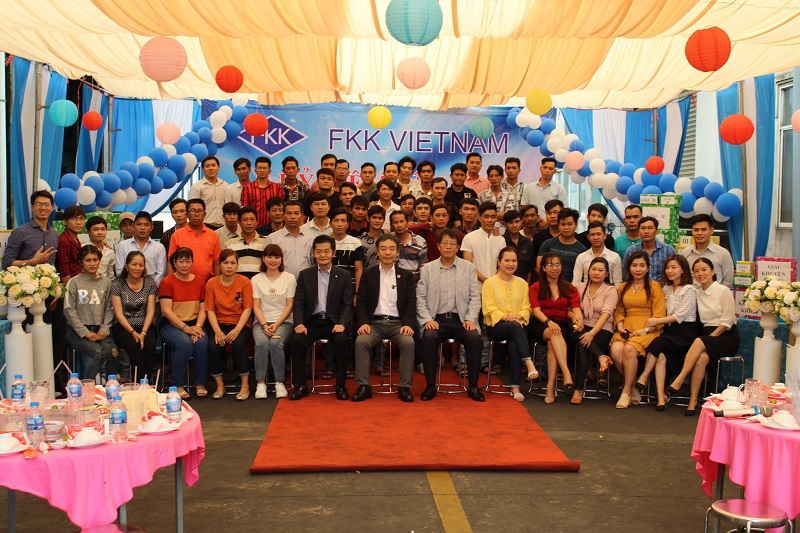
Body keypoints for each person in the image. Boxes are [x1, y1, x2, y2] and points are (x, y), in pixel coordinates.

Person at [417, 229, 485, 402]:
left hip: (461, 319)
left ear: (458, 247)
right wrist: (427, 320)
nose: (448, 247)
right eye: (445, 243)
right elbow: (420, 298)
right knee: (429, 337)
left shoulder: (468, 268)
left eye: (452, 244)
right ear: (438, 246)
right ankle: (430, 385)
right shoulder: (427, 269)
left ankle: (473, 386)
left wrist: (471, 319)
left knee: (474, 339)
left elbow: (475, 297)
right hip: (436, 319)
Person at [666, 258, 739, 416]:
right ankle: (693, 400)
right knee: (701, 359)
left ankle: (680, 379)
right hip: (707, 335)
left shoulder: (722, 290)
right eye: (696, 271)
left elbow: (728, 320)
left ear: (713, 271)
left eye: (704, 269)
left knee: (699, 341)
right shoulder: (697, 292)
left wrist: (712, 336)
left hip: (726, 335)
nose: (700, 273)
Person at [351, 234, 417, 403]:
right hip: (374, 323)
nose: (388, 252)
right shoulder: (368, 274)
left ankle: (404, 387)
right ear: (378, 252)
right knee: (361, 342)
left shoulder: (406, 275)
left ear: (397, 252)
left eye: (391, 249)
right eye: (384, 249)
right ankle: (363, 386)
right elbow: (362, 302)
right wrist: (363, 323)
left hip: (398, 324)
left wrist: (408, 324)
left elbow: (411, 303)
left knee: (408, 343)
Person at [288, 235, 354, 400]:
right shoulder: (305, 275)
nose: (322, 255)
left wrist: (342, 323)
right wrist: (299, 323)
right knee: (296, 340)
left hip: (333, 322)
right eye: (319, 251)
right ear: (313, 253)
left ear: (333, 253)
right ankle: (301, 385)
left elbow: (347, 304)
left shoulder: (344, 275)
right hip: (311, 321)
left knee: (342, 340)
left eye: (326, 251)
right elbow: (299, 303)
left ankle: (340, 385)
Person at [634, 255, 698, 411]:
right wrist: (647, 329)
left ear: (682, 270)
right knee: (661, 357)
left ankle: (643, 377)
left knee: (658, 342)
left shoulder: (689, 289)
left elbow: (679, 316)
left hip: (685, 333)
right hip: (670, 331)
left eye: (674, 267)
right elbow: (661, 313)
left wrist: (655, 321)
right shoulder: (666, 289)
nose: (670, 271)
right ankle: (661, 397)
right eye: (668, 268)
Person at [608, 252, 667, 409]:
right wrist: (620, 327)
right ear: (629, 268)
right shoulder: (623, 287)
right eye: (634, 265)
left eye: (642, 265)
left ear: (648, 268)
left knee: (629, 349)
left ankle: (626, 391)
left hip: (648, 328)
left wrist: (646, 330)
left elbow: (659, 314)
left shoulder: (654, 287)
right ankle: (633, 384)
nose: (638, 269)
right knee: (616, 351)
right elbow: (619, 311)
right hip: (627, 327)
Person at [64, 245, 125, 381]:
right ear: (81, 262)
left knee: (113, 353)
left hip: (100, 330)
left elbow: (110, 308)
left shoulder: (106, 282)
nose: (92, 264)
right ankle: (86, 386)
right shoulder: (74, 282)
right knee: (97, 353)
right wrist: (85, 332)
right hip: (78, 332)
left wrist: (104, 329)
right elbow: (69, 310)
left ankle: (109, 385)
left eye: (95, 260)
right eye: (88, 260)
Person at [481, 247, 534, 402]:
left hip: (517, 326)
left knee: (514, 341)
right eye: (507, 260)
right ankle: (528, 362)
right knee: (515, 328)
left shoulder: (522, 283)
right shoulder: (489, 283)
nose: (510, 264)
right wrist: (506, 317)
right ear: (499, 262)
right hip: (496, 326)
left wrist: (517, 316)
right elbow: (488, 308)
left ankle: (515, 387)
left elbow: (527, 308)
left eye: (514, 261)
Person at [529, 252, 581, 404]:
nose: (554, 268)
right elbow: (536, 311)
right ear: (543, 268)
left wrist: (578, 318)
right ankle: (566, 372)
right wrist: (549, 322)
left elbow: (576, 308)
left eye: (557, 264)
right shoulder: (535, 287)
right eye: (550, 265)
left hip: (561, 324)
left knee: (553, 342)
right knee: (554, 333)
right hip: (541, 323)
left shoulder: (569, 288)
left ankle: (550, 387)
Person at [159, 247, 209, 399]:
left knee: (202, 342)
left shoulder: (200, 281)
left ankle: (199, 383)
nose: (185, 265)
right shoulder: (167, 282)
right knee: (184, 344)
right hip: (171, 325)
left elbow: (203, 308)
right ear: (174, 263)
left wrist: (198, 327)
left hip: (195, 323)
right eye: (181, 261)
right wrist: (186, 329)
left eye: (188, 261)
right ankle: (177, 385)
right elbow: (167, 311)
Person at [206, 250, 254, 400]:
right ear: (219, 264)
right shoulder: (212, 283)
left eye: (233, 263)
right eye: (225, 263)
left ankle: (245, 385)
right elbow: (210, 310)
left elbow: (248, 308)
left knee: (238, 344)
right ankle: (220, 384)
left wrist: (237, 330)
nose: (229, 266)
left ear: (237, 265)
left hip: (240, 323)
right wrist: (217, 331)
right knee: (213, 345)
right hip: (219, 322)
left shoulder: (244, 281)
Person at [252, 245, 296, 399]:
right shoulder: (256, 279)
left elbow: (289, 305)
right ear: (263, 259)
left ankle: (279, 382)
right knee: (261, 343)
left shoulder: (289, 278)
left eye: (276, 257)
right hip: (261, 322)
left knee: (276, 343)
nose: (273, 260)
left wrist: (276, 324)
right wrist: (264, 325)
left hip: (284, 322)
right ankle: (260, 383)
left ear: (281, 259)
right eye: (269, 257)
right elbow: (256, 306)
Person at [572, 258, 618, 405]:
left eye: (600, 270)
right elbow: (571, 308)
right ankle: (601, 357)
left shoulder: (610, 290)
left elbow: (606, 315)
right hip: (582, 326)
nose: (596, 273)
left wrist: (591, 334)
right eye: (594, 269)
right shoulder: (580, 287)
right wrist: (575, 317)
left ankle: (578, 389)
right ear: (588, 271)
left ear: (606, 274)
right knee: (575, 329)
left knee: (583, 345)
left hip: (602, 329)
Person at [110, 251, 158, 381]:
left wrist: (143, 333)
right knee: (133, 345)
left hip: (145, 325)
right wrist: (132, 332)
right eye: (134, 264)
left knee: (150, 345)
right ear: (126, 266)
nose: (137, 268)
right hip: (124, 326)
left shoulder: (150, 283)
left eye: (141, 265)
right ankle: (140, 381)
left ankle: (147, 380)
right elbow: (118, 314)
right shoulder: (117, 284)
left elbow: (150, 312)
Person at [167, 198, 221, 282]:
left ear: (205, 214)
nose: (196, 214)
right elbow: (171, 262)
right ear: (187, 214)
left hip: (207, 282)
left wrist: (217, 283)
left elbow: (216, 262)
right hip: (182, 282)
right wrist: (170, 283)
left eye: (199, 211)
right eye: (192, 211)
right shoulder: (177, 235)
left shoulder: (213, 235)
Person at [2, 190, 58, 269]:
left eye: (46, 204)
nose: (43, 208)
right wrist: (31, 262)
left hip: (50, 276)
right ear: (32, 207)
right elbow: (6, 263)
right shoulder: (20, 232)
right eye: (38, 204)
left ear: (52, 208)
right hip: (26, 276)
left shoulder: (54, 233)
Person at [681, 214, 734, 289]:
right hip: (691, 295)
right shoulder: (685, 253)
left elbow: (728, 282)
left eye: (703, 229)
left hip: (715, 295)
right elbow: (683, 277)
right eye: (696, 230)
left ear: (711, 230)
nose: (699, 233)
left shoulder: (723, 253)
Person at [115, 211, 167, 285]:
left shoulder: (159, 247)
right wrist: (130, 287)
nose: (142, 228)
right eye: (139, 224)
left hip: (153, 288)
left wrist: (151, 288)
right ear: (133, 226)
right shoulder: (122, 246)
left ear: (151, 227)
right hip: (127, 287)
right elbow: (119, 271)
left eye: (146, 225)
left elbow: (161, 273)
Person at [264, 200, 313, 278]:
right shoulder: (272, 239)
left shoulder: (310, 237)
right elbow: (266, 263)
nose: (293, 217)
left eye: (296, 213)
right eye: (289, 213)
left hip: (306, 281)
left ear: (301, 215)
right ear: (283, 215)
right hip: (282, 282)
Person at [536, 208, 587, 282]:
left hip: (571, 287)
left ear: (576, 225)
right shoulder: (548, 244)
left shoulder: (582, 249)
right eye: (563, 224)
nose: (566, 227)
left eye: (570, 224)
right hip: (548, 285)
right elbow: (539, 268)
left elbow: (581, 275)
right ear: (558, 225)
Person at [461, 202, 506, 283]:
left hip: (496, 284)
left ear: (496, 218)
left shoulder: (501, 240)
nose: (490, 220)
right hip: (475, 285)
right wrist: (486, 281)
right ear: (479, 218)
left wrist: (493, 281)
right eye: (486, 216)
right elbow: (468, 265)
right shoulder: (469, 238)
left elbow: (503, 263)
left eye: (493, 217)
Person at [623, 216, 675, 283]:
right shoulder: (631, 251)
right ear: (639, 231)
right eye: (643, 228)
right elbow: (626, 272)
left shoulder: (668, 250)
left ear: (657, 231)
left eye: (650, 228)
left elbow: (673, 272)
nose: (646, 231)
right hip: (638, 287)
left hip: (662, 287)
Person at [224, 206, 267, 279]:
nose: (249, 223)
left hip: (260, 283)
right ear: (239, 222)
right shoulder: (230, 243)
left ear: (257, 221)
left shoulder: (265, 241)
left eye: (252, 219)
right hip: (237, 283)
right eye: (245, 220)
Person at [329, 208, 364, 292]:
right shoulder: (325, 243)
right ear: (330, 223)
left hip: (349, 288)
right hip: (329, 288)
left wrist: (357, 292)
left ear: (348, 224)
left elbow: (358, 270)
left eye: (343, 221)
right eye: (336, 220)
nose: (340, 224)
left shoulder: (356, 243)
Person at [242, 156, 284, 226]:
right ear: (255, 171)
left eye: (264, 168)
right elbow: (245, 209)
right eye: (259, 168)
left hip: (273, 226)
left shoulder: (277, 187)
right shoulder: (247, 188)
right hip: (253, 227)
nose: (262, 170)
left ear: (269, 171)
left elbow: (281, 209)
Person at [189, 156, 228, 229]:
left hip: (223, 227)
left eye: (213, 165)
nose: (211, 168)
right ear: (203, 169)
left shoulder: (225, 186)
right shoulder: (197, 187)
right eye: (207, 166)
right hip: (204, 226)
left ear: (218, 167)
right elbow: (192, 209)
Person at [57, 205, 87, 285]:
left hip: (79, 282)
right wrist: (70, 289)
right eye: (74, 219)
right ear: (65, 222)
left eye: (81, 219)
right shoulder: (64, 241)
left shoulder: (74, 238)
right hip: (71, 285)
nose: (78, 222)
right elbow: (64, 272)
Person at [502, 210, 534, 283]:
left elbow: (530, 269)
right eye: (510, 222)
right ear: (505, 224)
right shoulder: (501, 241)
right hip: (504, 282)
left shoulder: (528, 243)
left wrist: (526, 285)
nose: (514, 225)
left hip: (522, 283)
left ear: (521, 222)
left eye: (517, 222)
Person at [85, 216, 115, 280]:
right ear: (88, 231)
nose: (100, 232)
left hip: (105, 284)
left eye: (103, 229)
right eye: (96, 229)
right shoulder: (83, 249)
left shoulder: (109, 251)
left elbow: (110, 275)